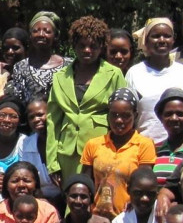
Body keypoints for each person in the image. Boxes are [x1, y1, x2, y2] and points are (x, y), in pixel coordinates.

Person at [47, 16, 127, 186]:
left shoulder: (114, 74)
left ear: (102, 47)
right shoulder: (59, 77)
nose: (87, 50)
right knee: (73, 202)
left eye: (93, 46)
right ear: (74, 45)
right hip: (67, 152)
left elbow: (124, 115)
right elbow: (53, 120)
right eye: (82, 46)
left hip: (102, 149)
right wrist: (52, 162)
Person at [81, 89, 157, 219]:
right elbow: (86, 183)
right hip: (97, 217)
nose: (119, 120)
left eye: (126, 115)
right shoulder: (93, 145)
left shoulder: (144, 145)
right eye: (114, 115)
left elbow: (143, 183)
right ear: (107, 116)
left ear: (135, 116)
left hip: (128, 218)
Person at [127, 18, 183, 145]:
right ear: (146, 39)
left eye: (167, 36)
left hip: (178, 148)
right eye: (156, 36)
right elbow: (128, 114)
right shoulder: (134, 73)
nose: (162, 40)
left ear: (173, 39)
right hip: (143, 147)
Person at [5, 12, 70, 102]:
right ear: (30, 36)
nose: (41, 34)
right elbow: (17, 101)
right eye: (36, 31)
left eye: (47, 31)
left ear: (55, 36)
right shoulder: (20, 67)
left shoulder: (69, 65)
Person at [150, 89, 183, 184]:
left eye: (180, 114)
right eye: (168, 114)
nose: (174, 118)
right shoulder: (155, 149)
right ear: (160, 117)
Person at [14, 97, 60, 200]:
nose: (36, 120)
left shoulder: (63, 140)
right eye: (31, 117)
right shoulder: (25, 143)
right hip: (39, 199)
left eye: (40, 115)